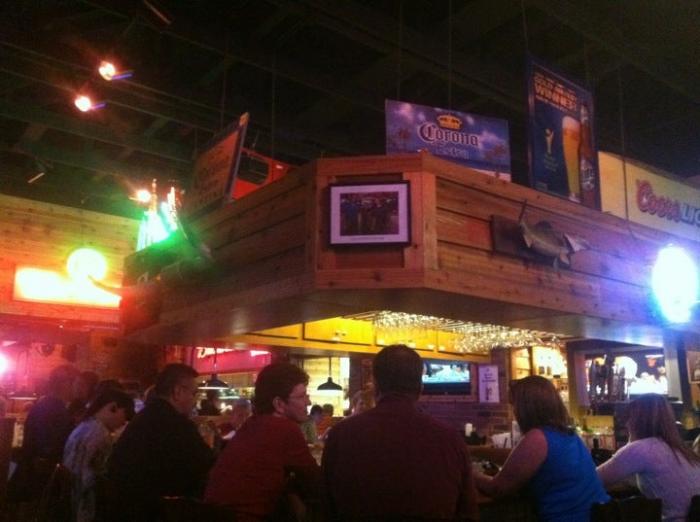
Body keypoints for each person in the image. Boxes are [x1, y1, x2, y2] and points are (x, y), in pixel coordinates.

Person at [323, 345, 478, 521]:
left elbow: (326, 507)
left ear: (375, 386)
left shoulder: (341, 435)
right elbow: (468, 513)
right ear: (420, 387)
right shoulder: (450, 439)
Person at [475, 375, 608, 522]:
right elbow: (517, 459)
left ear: (526, 407)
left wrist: (469, 473)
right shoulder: (568, 434)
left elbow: (497, 488)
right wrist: (474, 450)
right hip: (601, 515)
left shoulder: (538, 438)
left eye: (514, 405)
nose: (514, 412)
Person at [205, 363, 320, 521]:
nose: (309, 402)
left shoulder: (251, 424)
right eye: (302, 396)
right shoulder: (285, 429)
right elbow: (315, 483)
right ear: (279, 404)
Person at [107, 364, 214, 522]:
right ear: (177, 392)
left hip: (121, 509)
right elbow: (209, 465)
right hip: (152, 513)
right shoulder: (177, 424)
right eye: (194, 393)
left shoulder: (144, 417)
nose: (195, 400)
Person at [597, 393, 700, 521]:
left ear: (637, 420)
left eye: (629, 417)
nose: (627, 424)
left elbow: (595, 479)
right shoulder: (679, 448)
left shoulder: (642, 448)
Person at [9, 364, 80, 503]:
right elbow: (48, 448)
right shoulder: (55, 409)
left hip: (31, 475)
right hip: (40, 482)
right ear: (66, 384)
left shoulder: (47, 405)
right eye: (77, 383)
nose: (78, 389)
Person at [63, 389, 134, 522]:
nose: (125, 421)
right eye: (125, 414)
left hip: (70, 500)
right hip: (86, 506)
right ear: (113, 407)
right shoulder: (100, 434)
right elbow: (100, 477)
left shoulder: (83, 426)